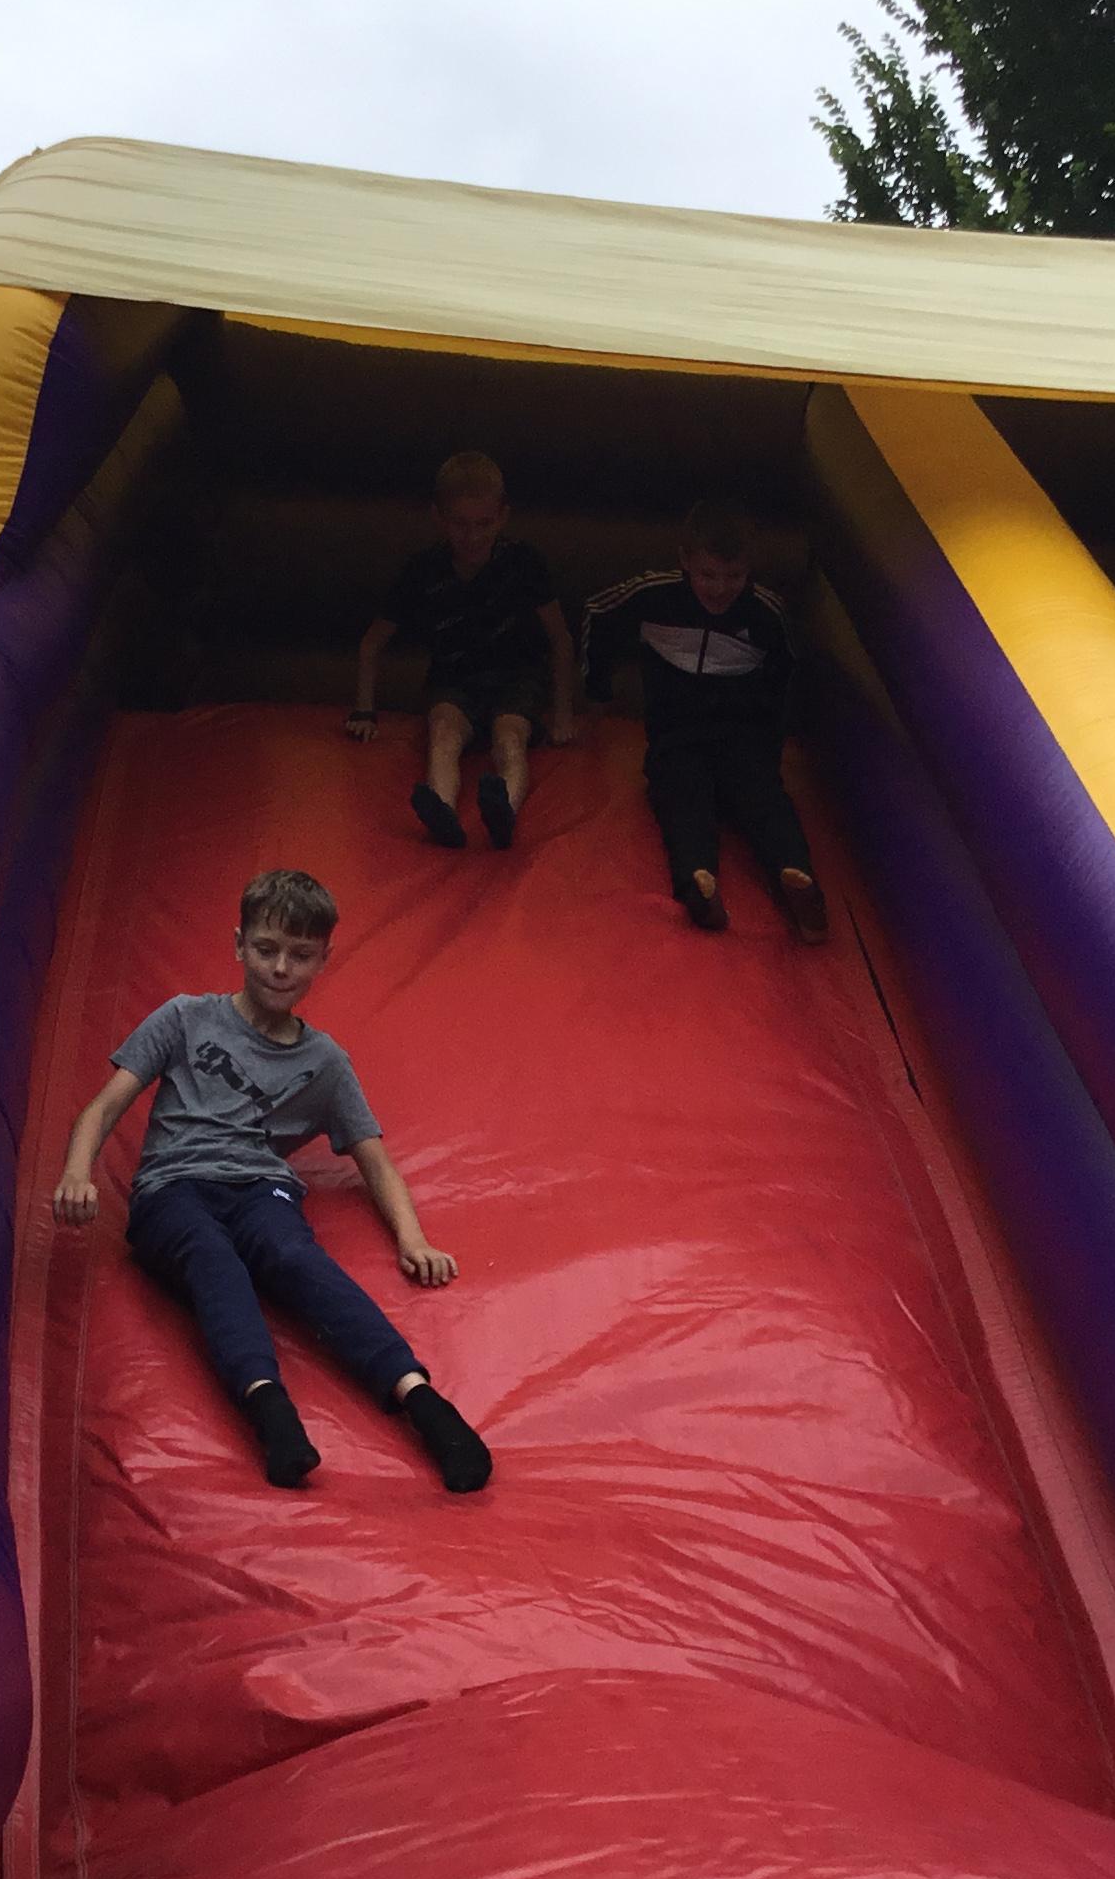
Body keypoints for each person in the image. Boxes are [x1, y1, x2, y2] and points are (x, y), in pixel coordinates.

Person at [50, 868, 494, 1495]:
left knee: (294, 1256)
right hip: (174, 1188)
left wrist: (413, 1239)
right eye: (266, 949)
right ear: (239, 945)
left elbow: (375, 1161)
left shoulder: (324, 1063)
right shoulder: (186, 1018)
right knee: (212, 1258)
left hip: (262, 1188)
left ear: (323, 960)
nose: (280, 968)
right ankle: (270, 1409)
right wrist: (77, 1174)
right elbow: (102, 1107)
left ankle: (423, 1401)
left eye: (300, 955)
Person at [581, 501, 830, 942]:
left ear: (749, 569)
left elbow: (788, 674)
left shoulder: (764, 613)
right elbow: (597, 613)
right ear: (685, 561)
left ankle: (797, 879)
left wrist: (772, 743)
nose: (720, 589)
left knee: (763, 799)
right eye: (708, 575)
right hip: (677, 735)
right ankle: (698, 881)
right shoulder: (654, 596)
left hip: (742, 735)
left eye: (733, 577)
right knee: (681, 798)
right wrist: (596, 689)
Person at [347, 451, 579, 849]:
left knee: (509, 736)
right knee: (444, 733)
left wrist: (562, 714)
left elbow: (560, 639)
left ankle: (504, 809)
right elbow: (372, 642)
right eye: (460, 524)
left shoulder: (523, 563)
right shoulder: (424, 569)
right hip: (454, 680)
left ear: (502, 517)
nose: (472, 537)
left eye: (483, 524)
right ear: (439, 518)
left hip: (517, 676)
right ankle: (442, 808)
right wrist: (363, 711)